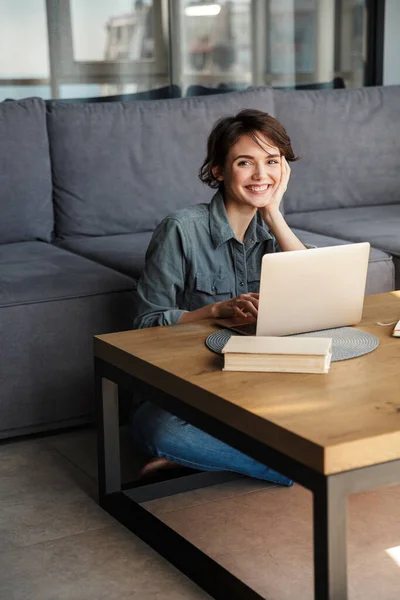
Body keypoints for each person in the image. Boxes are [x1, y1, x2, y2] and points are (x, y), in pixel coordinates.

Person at [131, 109, 307, 486]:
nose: (261, 175)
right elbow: (146, 321)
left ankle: (210, 455)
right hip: (196, 385)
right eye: (246, 162)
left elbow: (315, 293)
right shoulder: (180, 229)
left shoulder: (275, 230)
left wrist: (274, 213)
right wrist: (213, 311)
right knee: (158, 430)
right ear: (218, 170)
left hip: (261, 381)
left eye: (272, 162)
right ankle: (292, 468)